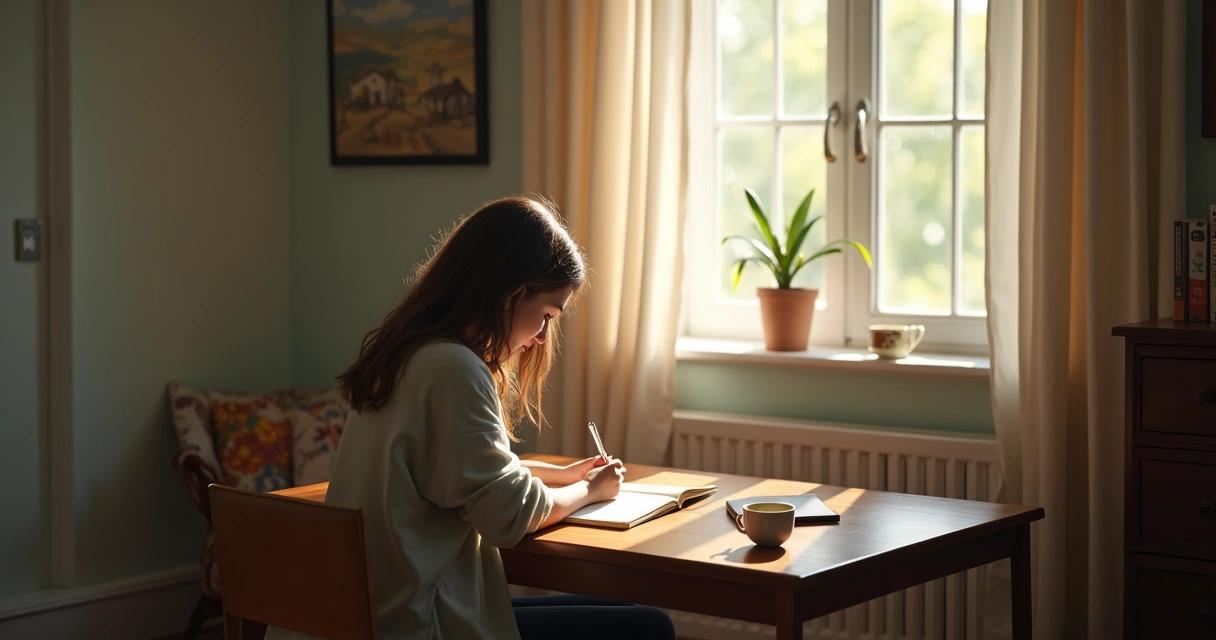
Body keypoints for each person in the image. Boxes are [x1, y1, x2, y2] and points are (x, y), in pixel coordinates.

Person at [265, 196, 676, 640]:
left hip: (356, 616)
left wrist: (561, 474)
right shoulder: (454, 369)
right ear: (510, 294)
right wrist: (588, 490)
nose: (541, 338)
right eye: (544, 316)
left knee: (612, 608)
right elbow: (509, 516)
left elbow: (453, 469)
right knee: (648, 626)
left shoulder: (406, 354)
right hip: (416, 622)